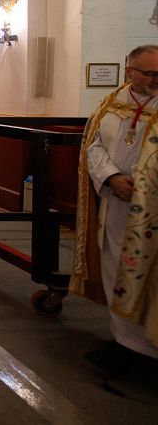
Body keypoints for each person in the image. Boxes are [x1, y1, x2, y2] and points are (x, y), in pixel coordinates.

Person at [74, 44, 158, 368]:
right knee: (113, 269)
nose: (154, 79)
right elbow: (92, 146)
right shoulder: (112, 104)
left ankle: (146, 350)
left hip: (149, 208)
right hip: (115, 203)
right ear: (129, 71)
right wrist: (110, 178)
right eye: (148, 72)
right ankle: (123, 342)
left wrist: (141, 181)